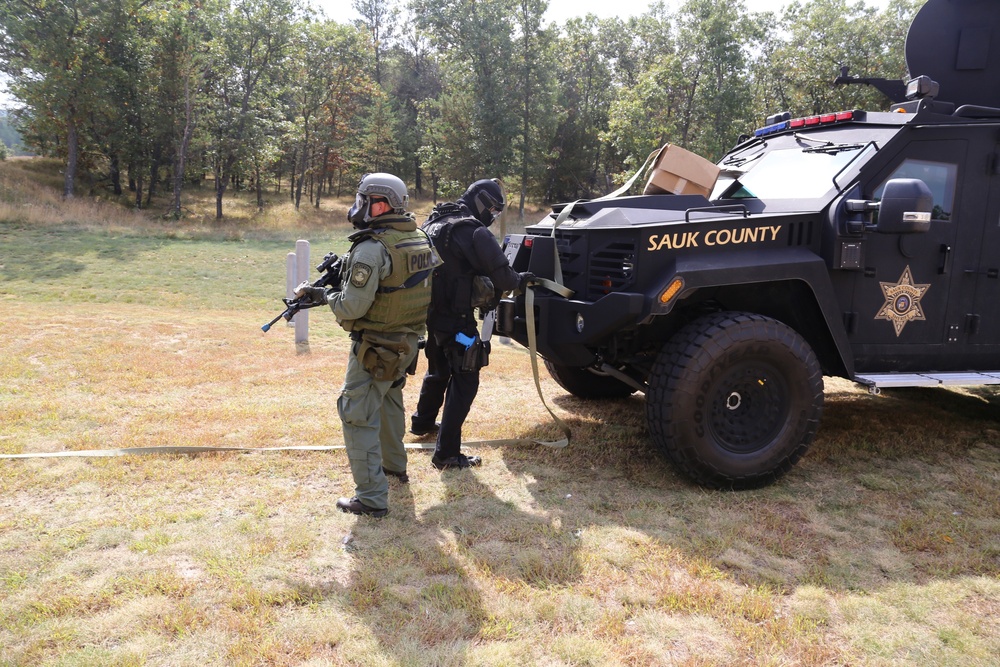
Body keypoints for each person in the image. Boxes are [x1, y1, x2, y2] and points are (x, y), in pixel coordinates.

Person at [298, 172, 439, 517]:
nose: (358, 206)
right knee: (390, 402)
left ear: (379, 203)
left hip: (375, 346)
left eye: (363, 199)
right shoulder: (419, 238)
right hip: (406, 342)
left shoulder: (371, 248)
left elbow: (351, 307)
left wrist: (325, 295)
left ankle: (373, 499)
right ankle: (394, 468)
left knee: (356, 415)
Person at [411, 178, 533, 470]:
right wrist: (522, 280)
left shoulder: (434, 223)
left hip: (432, 319)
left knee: (438, 368)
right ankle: (447, 454)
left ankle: (422, 422)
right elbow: (504, 278)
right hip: (459, 326)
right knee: (468, 372)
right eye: (493, 209)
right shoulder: (472, 230)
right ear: (481, 202)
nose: (493, 216)